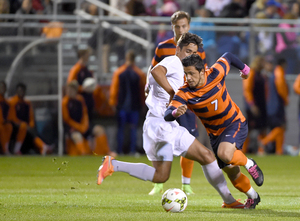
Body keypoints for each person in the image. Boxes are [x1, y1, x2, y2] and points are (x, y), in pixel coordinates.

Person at [97, 33, 253, 209]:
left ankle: (229, 200)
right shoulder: (173, 61)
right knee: (162, 175)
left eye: (193, 52)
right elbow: (156, 71)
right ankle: (113, 165)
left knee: (206, 157)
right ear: (177, 49)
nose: (189, 55)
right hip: (160, 126)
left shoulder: (184, 69)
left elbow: (153, 80)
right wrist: (172, 93)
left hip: (168, 125)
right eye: (186, 51)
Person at [164, 52, 264, 209]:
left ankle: (250, 163)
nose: (188, 77)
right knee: (232, 171)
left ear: (202, 71)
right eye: (186, 73)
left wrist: (245, 69)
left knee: (225, 154)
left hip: (234, 122)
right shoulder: (185, 92)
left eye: (191, 73)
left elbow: (229, 56)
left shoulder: (216, 73)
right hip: (216, 135)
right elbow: (167, 114)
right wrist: (176, 112)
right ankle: (253, 196)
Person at [147, 10, 208, 196]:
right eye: (177, 27)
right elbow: (153, 70)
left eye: (184, 26)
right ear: (172, 27)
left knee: (189, 138)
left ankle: (186, 184)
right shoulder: (163, 47)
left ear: (189, 26)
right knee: (160, 140)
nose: (181, 30)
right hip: (166, 103)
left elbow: (200, 73)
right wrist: (146, 87)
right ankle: (158, 183)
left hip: (187, 101)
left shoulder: (198, 49)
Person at [62, 80, 116, 157]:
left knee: (99, 129)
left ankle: (107, 152)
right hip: (72, 127)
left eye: (72, 90)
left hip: (83, 125)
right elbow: (67, 119)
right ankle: (84, 155)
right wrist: (79, 127)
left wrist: (84, 126)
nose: (70, 91)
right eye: (69, 89)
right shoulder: (65, 102)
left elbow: (85, 114)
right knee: (77, 136)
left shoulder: (80, 99)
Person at [109, 50, 146, 155]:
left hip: (122, 106)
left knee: (121, 129)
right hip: (134, 106)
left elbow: (114, 89)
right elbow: (143, 90)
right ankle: (132, 150)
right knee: (133, 129)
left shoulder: (119, 72)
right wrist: (143, 104)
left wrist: (113, 103)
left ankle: (120, 150)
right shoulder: (139, 73)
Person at [8, 83, 51, 155]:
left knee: (32, 131)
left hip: (25, 127)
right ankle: (16, 150)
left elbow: (31, 116)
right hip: (16, 126)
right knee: (25, 127)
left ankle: (43, 148)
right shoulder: (12, 102)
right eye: (19, 91)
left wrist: (31, 125)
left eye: (23, 91)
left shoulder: (27, 103)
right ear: (16, 91)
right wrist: (23, 124)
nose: (21, 92)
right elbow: (12, 117)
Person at [259, 58, 289, 155]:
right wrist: (285, 99)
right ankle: (264, 142)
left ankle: (279, 150)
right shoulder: (279, 73)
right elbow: (281, 88)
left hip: (272, 106)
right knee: (280, 127)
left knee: (280, 127)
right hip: (277, 106)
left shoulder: (274, 74)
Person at [242, 55, 268, 154]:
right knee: (249, 129)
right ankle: (243, 149)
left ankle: (261, 149)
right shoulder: (251, 73)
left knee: (263, 127)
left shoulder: (261, 75)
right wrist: (252, 105)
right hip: (254, 106)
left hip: (261, 105)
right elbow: (247, 90)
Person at [67, 49, 96, 121]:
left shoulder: (87, 69)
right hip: (80, 100)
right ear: (82, 56)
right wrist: (82, 88)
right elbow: (70, 84)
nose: (88, 57)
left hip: (88, 99)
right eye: (87, 55)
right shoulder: (76, 69)